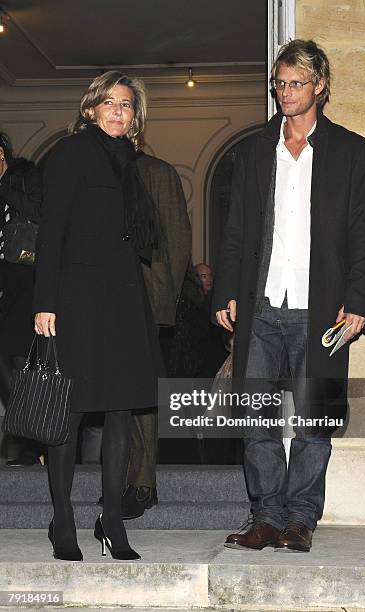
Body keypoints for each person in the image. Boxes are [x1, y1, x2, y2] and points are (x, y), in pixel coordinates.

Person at [213, 39, 365, 553]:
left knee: (314, 420)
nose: (285, 92)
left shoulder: (351, 151)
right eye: (280, 83)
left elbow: (361, 233)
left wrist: (358, 301)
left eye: (296, 83)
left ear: (319, 86)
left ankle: (300, 519)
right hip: (261, 306)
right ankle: (265, 516)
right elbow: (236, 229)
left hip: (321, 308)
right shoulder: (251, 149)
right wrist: (227, 290)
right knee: (256, 418)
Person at [33, 70, 162, 561]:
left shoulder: (131, 164)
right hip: (78, 301)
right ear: (90, 109)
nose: (117, 111)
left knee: (120, 413)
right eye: (108, 102)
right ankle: (62, 522)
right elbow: (53, 231)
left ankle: (111, 522)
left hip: (124, 300)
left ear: (135, 117)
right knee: (69, 411)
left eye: (126, 105)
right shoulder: (71, 153)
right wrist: (45, 302)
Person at [122, 150, 191, 518]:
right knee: (117, 394)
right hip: (104, 298)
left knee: (142, 391)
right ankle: (127, 477)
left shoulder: (156, 170)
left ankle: (143, 482)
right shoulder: (94, 170)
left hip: (144, 297)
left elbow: (177, 236)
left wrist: (165, 301)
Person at [0, 132, 43, 466]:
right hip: (5, 284)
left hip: (23, 278)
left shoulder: (22, 176)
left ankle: (27, 438)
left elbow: (39, 212)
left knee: (15, 358)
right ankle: (27, 433)